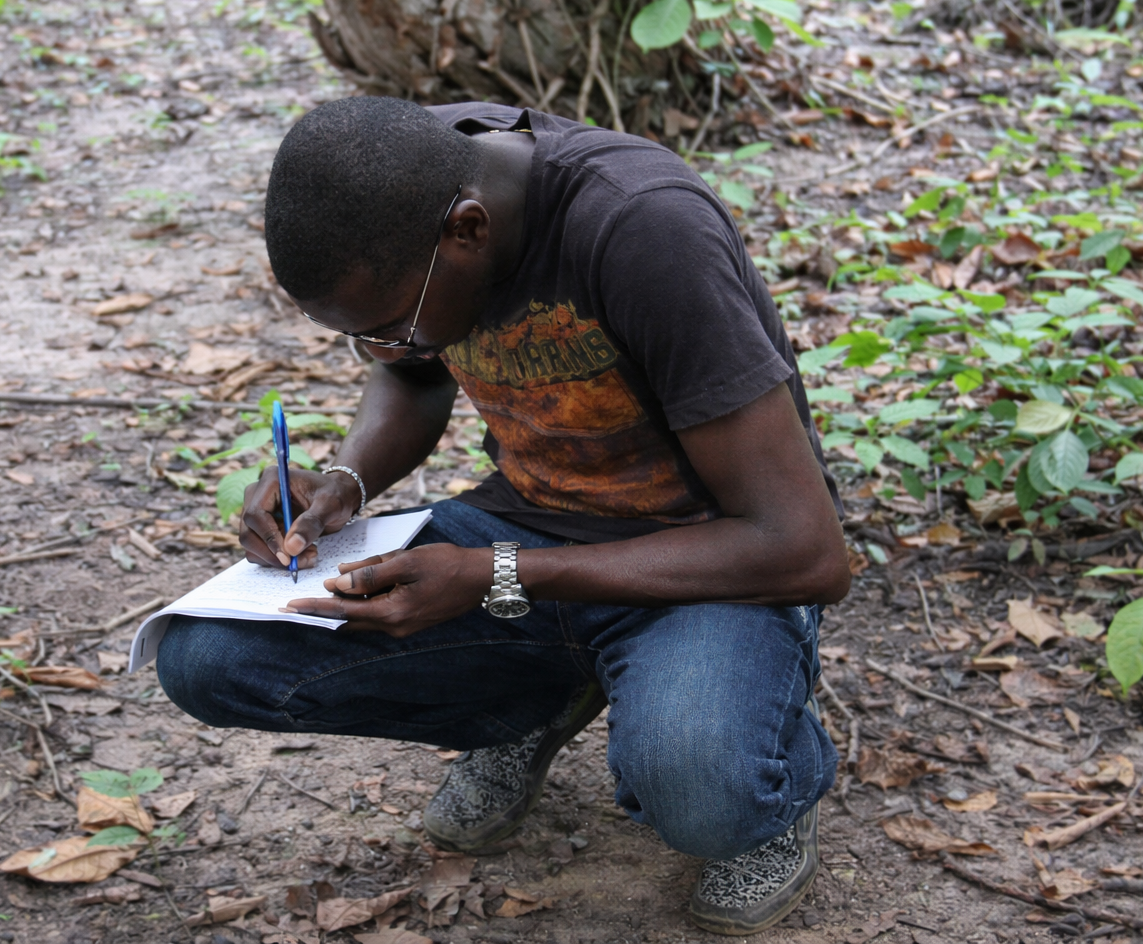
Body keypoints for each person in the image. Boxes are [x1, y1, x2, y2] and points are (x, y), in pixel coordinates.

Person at [157, 96, 849, 935]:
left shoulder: (644, 229)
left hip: (704, 562)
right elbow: (412, 375)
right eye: (358, 337)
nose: (382, 348)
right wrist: (344, 481)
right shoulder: (408, 183)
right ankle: (539, 697)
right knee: (208, 657)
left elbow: (804, 550)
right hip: (527, 526)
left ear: (469, 231)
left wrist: (499, 575)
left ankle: (773, 772)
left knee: (703, 794)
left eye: (390, 325)